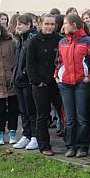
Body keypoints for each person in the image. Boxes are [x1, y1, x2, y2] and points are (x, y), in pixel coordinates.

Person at [56, 13, 90, 158]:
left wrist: (89, 77)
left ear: (74, 25)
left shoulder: (88, 41)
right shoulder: (62, 42)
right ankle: (70, 146)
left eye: (66, 23)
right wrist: (57, 76)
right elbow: (59, 62)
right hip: (65, 84)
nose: (63, 26)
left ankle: (82, 147)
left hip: (81, 84)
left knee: (82, 117)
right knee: (70, 117)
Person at [27, 13, 63, 156]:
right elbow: (30, 63)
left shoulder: (60, 40)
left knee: (64, 113)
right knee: (42, 115)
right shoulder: (34, 41)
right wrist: (36, 81)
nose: (49, 27)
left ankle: (70, 142)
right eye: (47, 24)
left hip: (57, 83)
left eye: (52, 24)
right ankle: (44, 145)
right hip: (41, 84)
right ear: (41, 24)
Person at [12, 14, 39, 150]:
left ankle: (35, 136)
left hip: (28, 81)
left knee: (31, 110)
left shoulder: (32, 39)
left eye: (21, 24)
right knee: (23, 111)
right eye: (17, 24)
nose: (18, 26)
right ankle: (26, 134)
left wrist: (24, 73)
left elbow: (32, 61)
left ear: (29, 25)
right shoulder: (20, 40)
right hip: (18, 81)